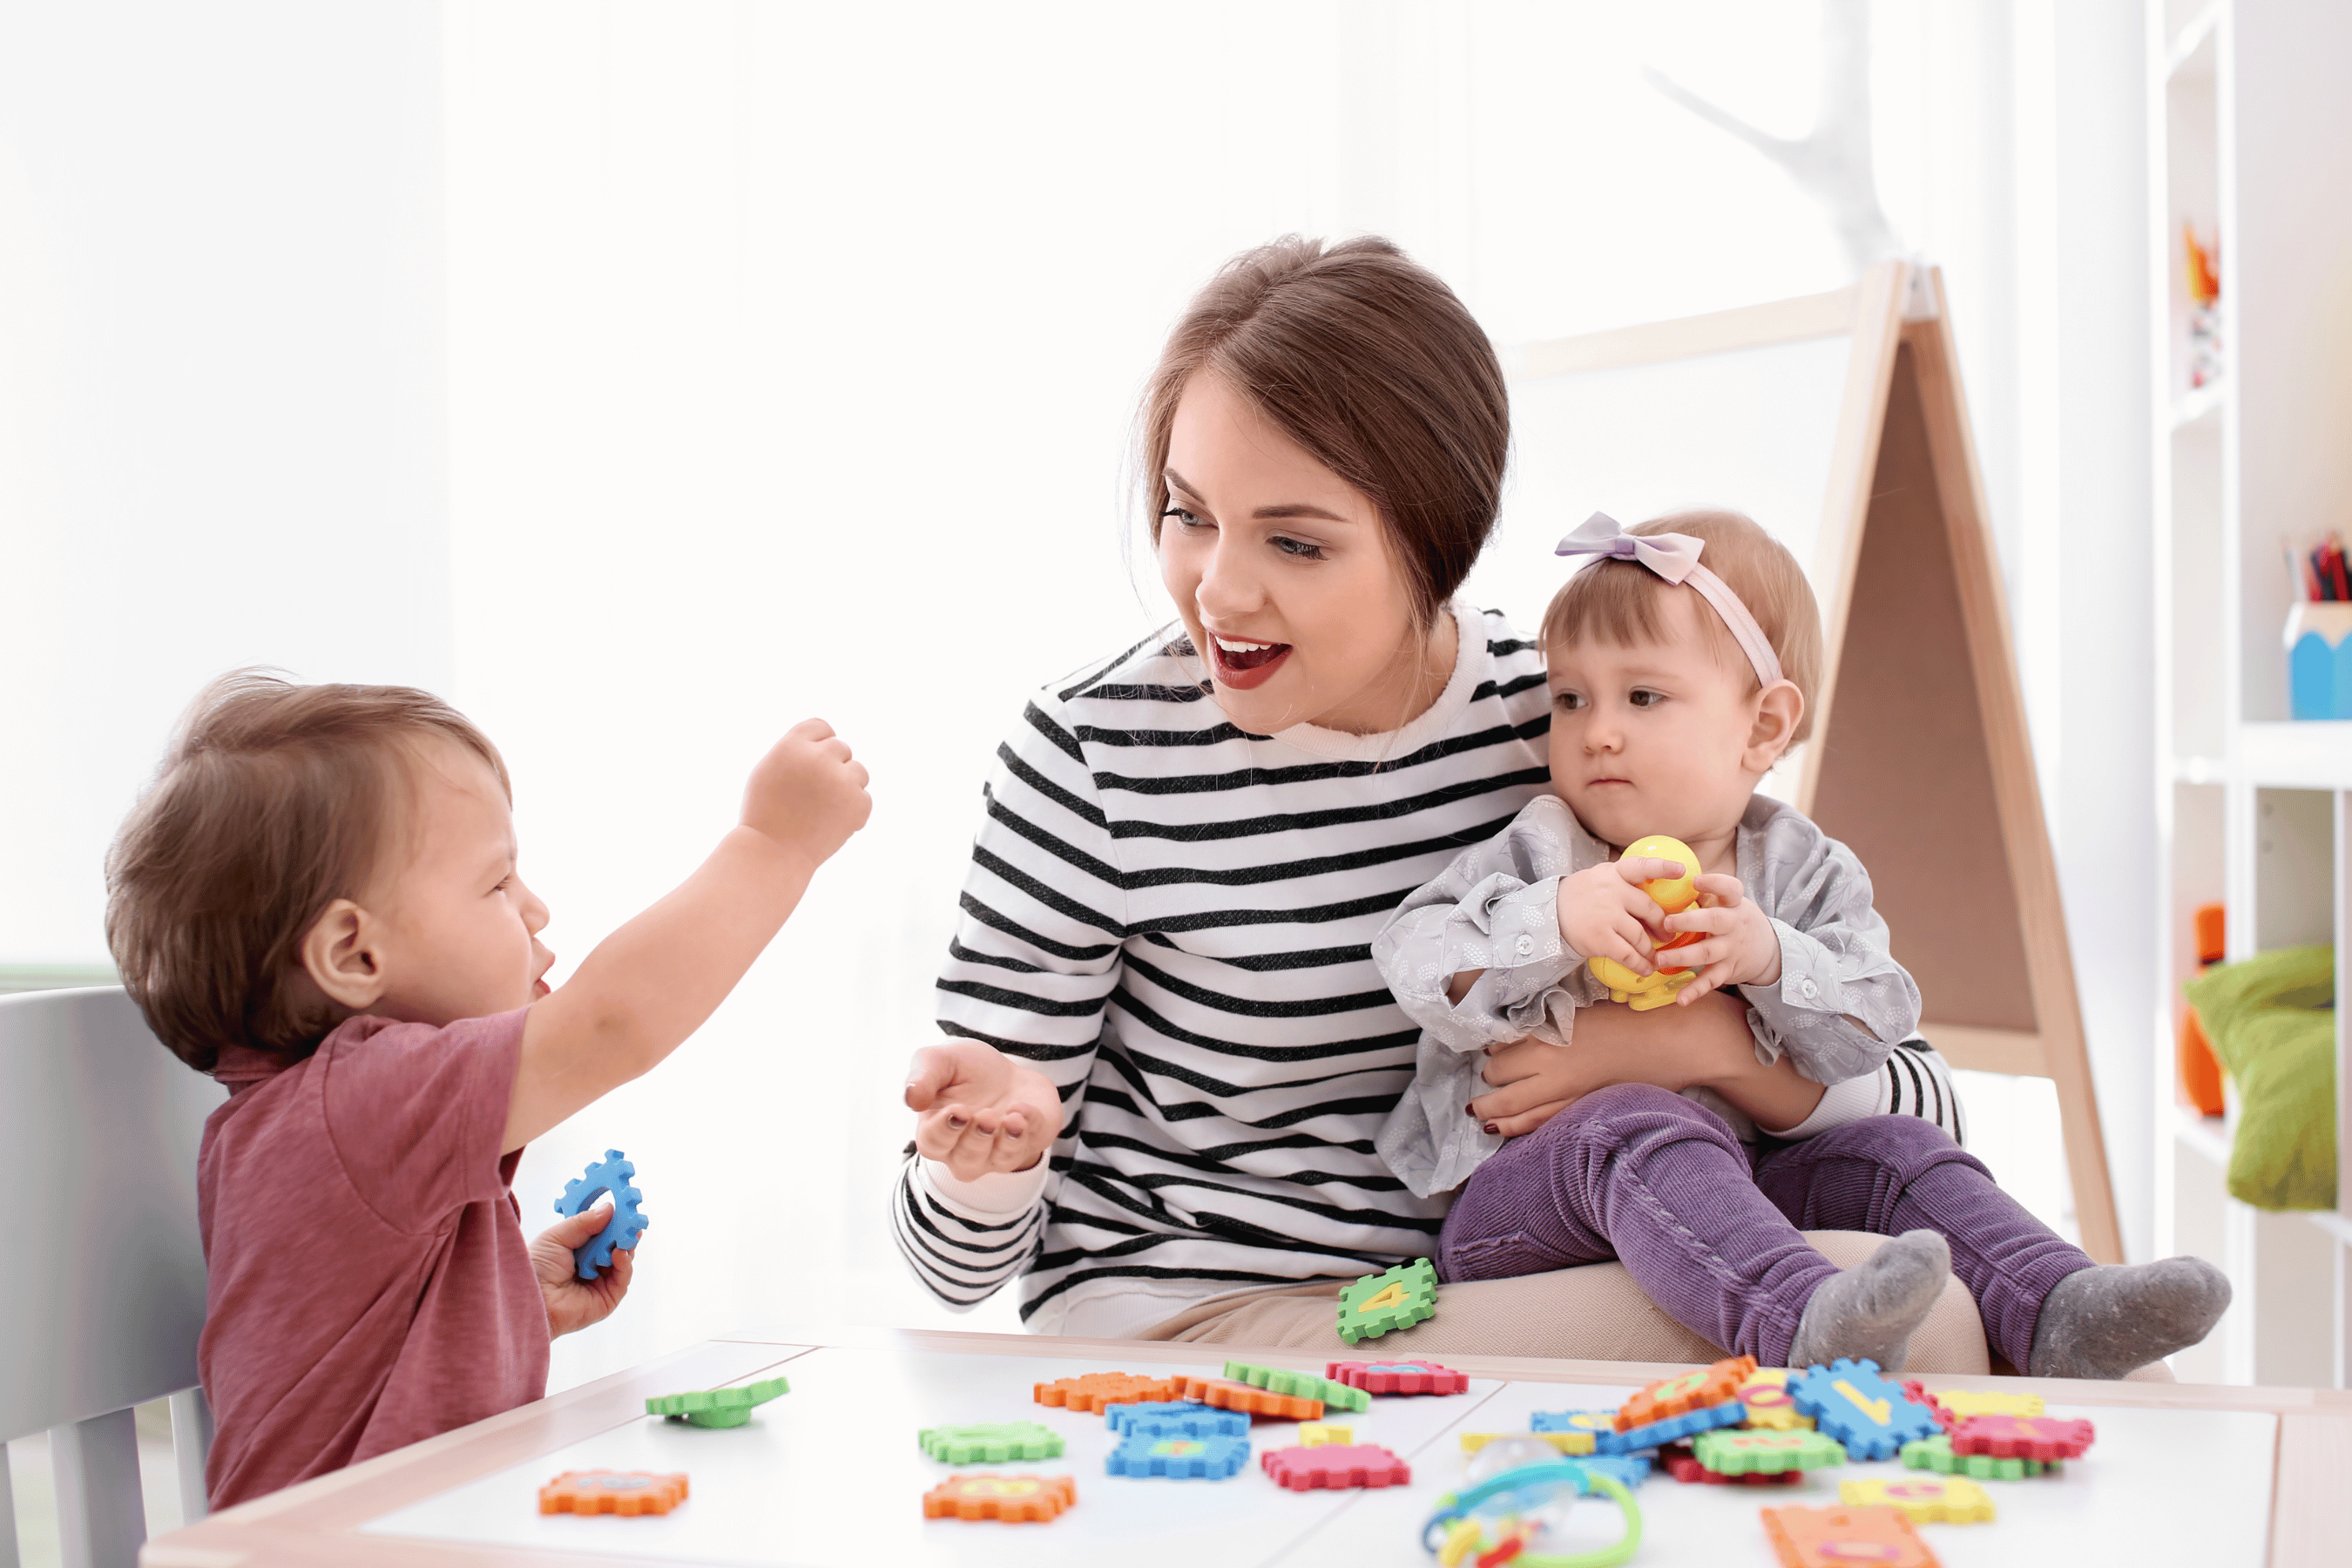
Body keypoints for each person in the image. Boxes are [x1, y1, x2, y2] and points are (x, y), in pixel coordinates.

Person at [889, 234, 1970, 1355]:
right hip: (1188, 1313)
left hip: (1457, 1285)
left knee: (1921, 1306)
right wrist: (987, 1164)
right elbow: (951, 1271)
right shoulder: (1092, 753)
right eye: (1187, 512)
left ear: (1434, 549)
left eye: (1296, 542)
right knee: (1891, 1328)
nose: (1218, 589)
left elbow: (1925, 1102)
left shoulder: (1572, 724)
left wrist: (1690, 1052)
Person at [1372, 510, 2232, 1376]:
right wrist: (1553, 918)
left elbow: (1879, 1023)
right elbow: (1413, 957)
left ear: (1764, 727)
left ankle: (2057, 1305)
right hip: (1527, 1203)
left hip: (1742, 1188)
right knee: (1639, 1125)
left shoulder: (1802, 869)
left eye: (1643, 696)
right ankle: (1799, 1318)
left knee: (1901, 1154)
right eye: (1569, 698)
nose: (1596, 730)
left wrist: (1773, 959)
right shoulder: (1546, 848)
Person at [105, 672, 868, 1505]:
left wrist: (506, 1303)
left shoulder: (316, 1125)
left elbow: (349, 1365)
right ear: (354, 955)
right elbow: (613, 1023)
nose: (536, 909)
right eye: (498, 883)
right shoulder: (355, 1102)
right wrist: (774, 843)